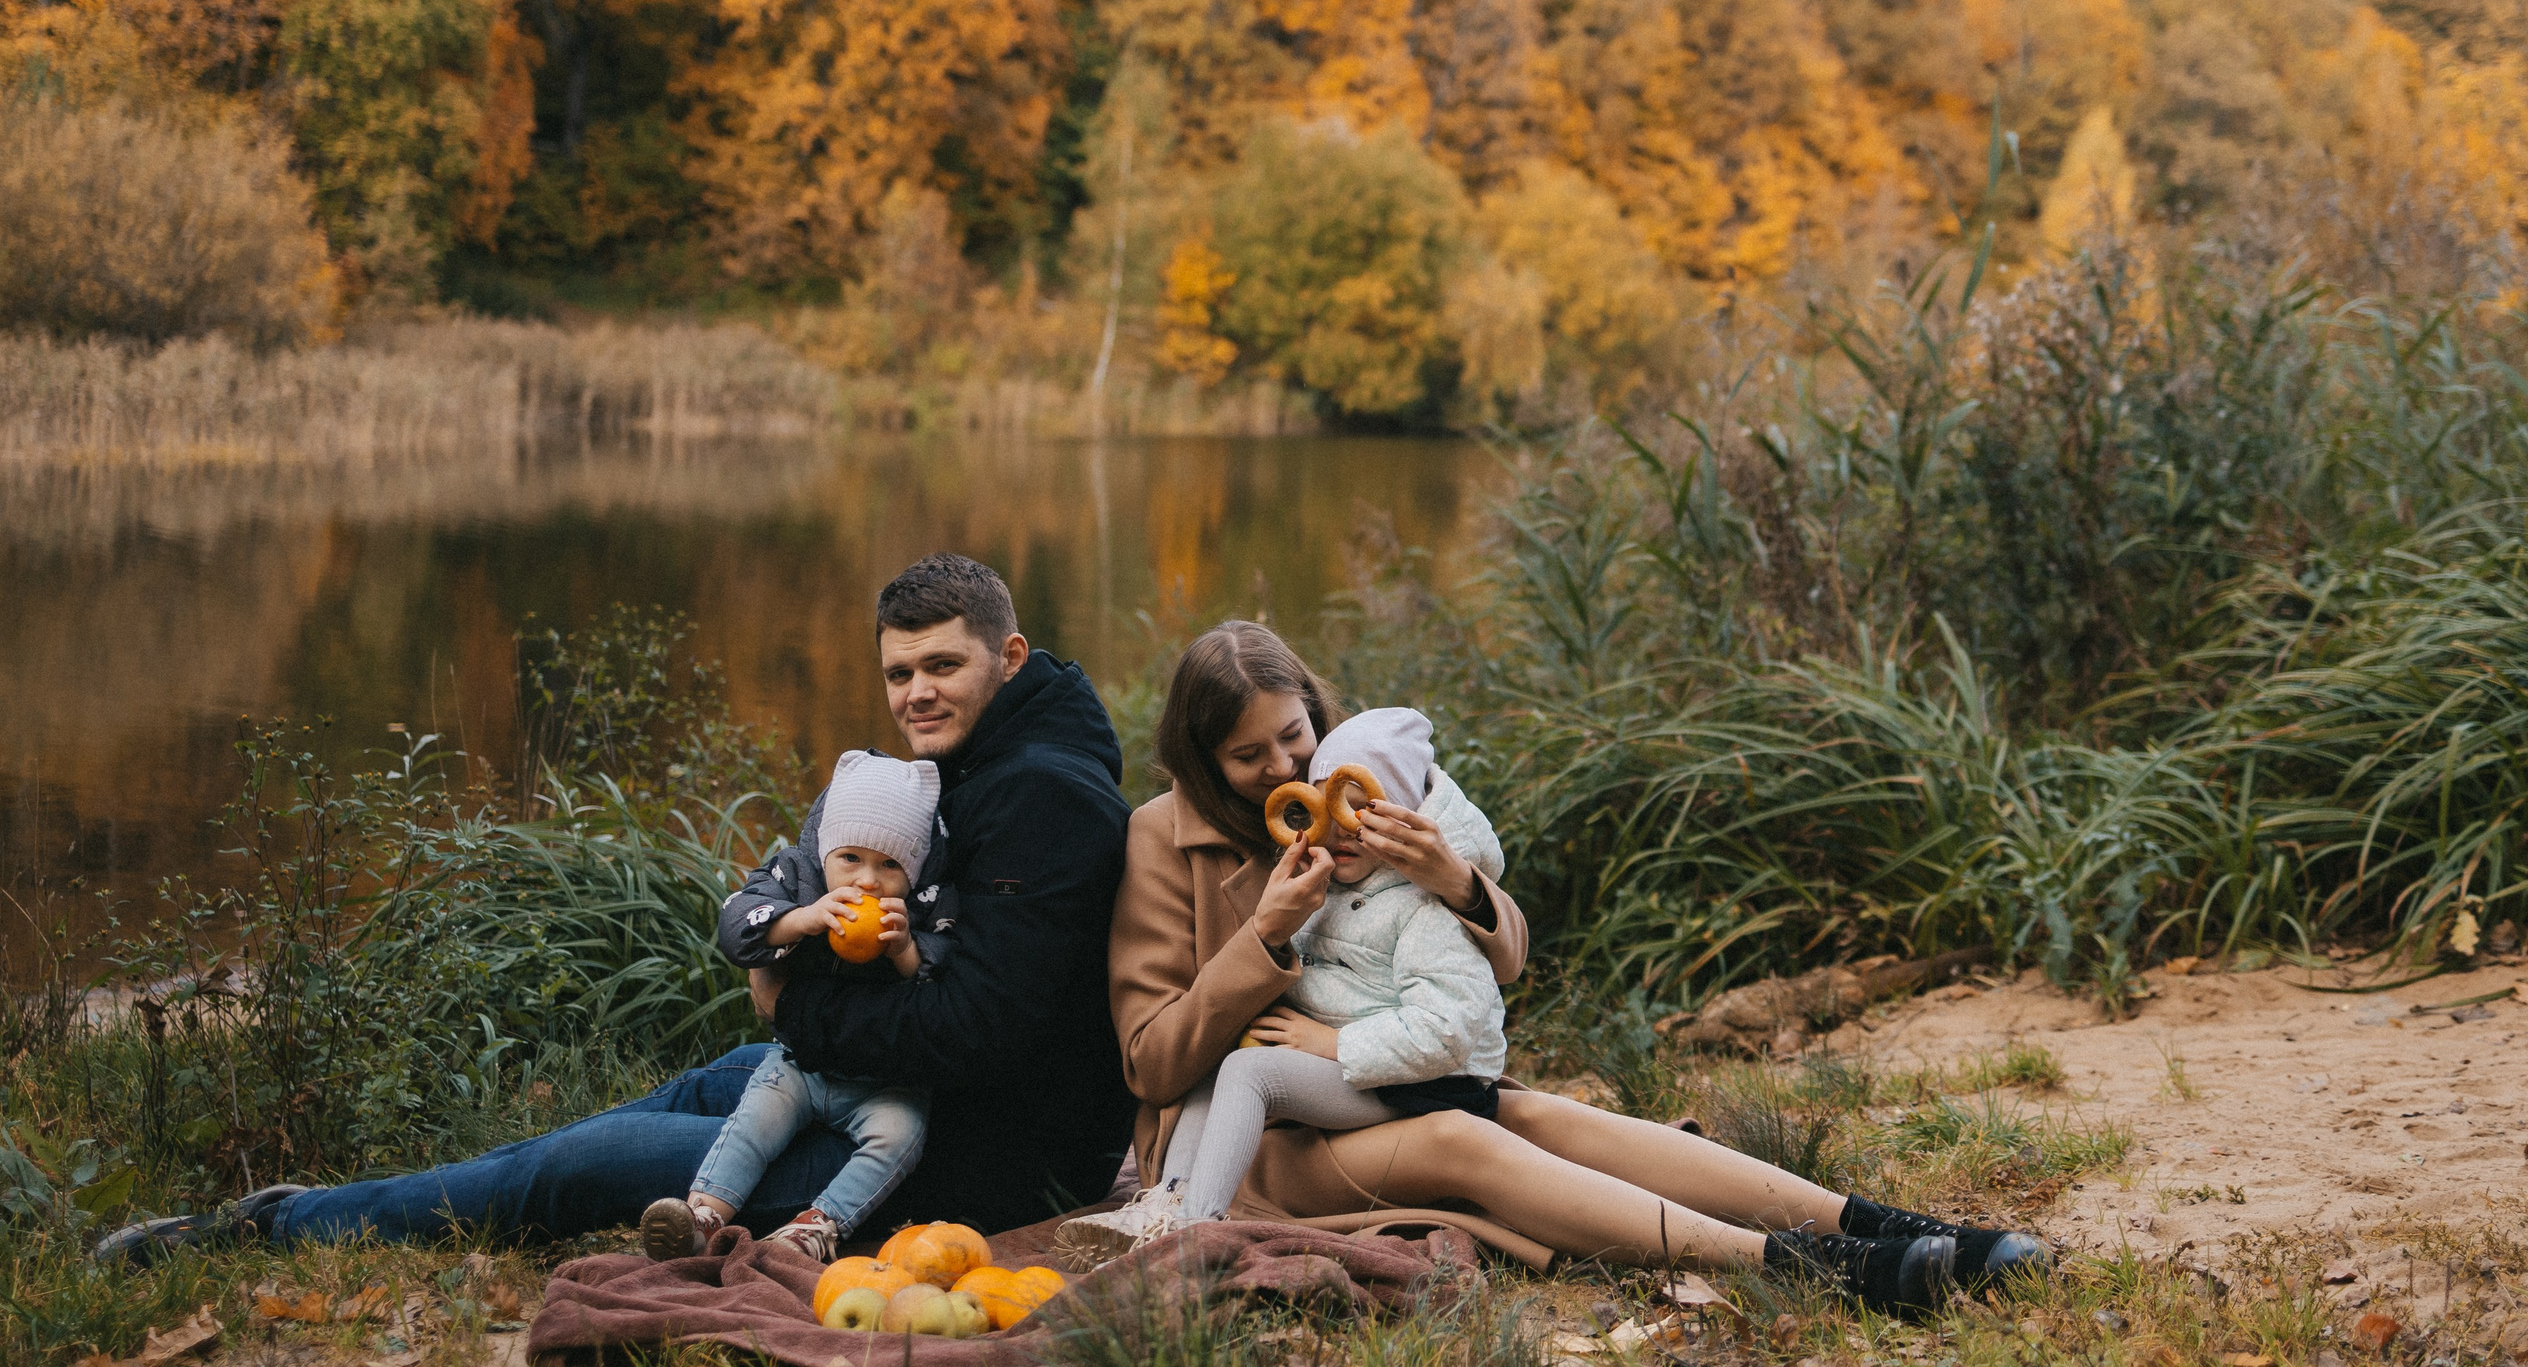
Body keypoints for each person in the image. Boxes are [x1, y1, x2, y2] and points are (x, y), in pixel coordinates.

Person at [97, 554, 1135, 1261]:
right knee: (632, 1122)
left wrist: (789, 1010)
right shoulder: (985, 756)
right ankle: (349, 1208)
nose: (915, 694)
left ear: (1007, 656)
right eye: (898, 672)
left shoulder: (1045, 795)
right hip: (868, 1077)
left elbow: (978, 1031)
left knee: (578, 1169)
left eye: (941, 665)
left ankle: (272, 1230)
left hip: (958, 1155)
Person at [1106, 621, 2049, 1315]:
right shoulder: (1162, 839)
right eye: (1247, 755)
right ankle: (1812, 1269)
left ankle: (1885, 1225)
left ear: (1319, 719)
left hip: (1387, 1072)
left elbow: (1501, 963)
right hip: (1254, 1137)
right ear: (1201, 757)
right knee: (1467, 1143)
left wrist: (1458, 881)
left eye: (1295, 736)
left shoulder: (1372, 799)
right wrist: (1264, 936)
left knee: (1550, 1114)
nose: (1282, 766)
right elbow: (1151, 1062)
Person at [1056, 705, 1508, 1268]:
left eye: (1362, 811)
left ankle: (1196, 1234)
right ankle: (1163, 1208)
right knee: (1223, 1061)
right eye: (1328, 808)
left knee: (1252, 1071)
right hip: (1370, 1068)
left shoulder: (1421, 900)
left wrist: (1330, 1044)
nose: (1342, 827)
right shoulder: (1336, 880)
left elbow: (1449, 1027)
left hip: (1423, 1083)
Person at [640, 750, 943, 1264]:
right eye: (851, 859)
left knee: (900, 1138)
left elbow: (944, 977)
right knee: (756, 1121)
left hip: (886, 1083)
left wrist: (905, 949)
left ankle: (817, 1228)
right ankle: (703, 1215)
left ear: (913, 870)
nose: (867, 881)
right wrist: (801, 920)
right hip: (801, 1064)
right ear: (825, 852)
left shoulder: (922, 905)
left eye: (890, 864)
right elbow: (737, 926)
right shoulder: (795, 875)